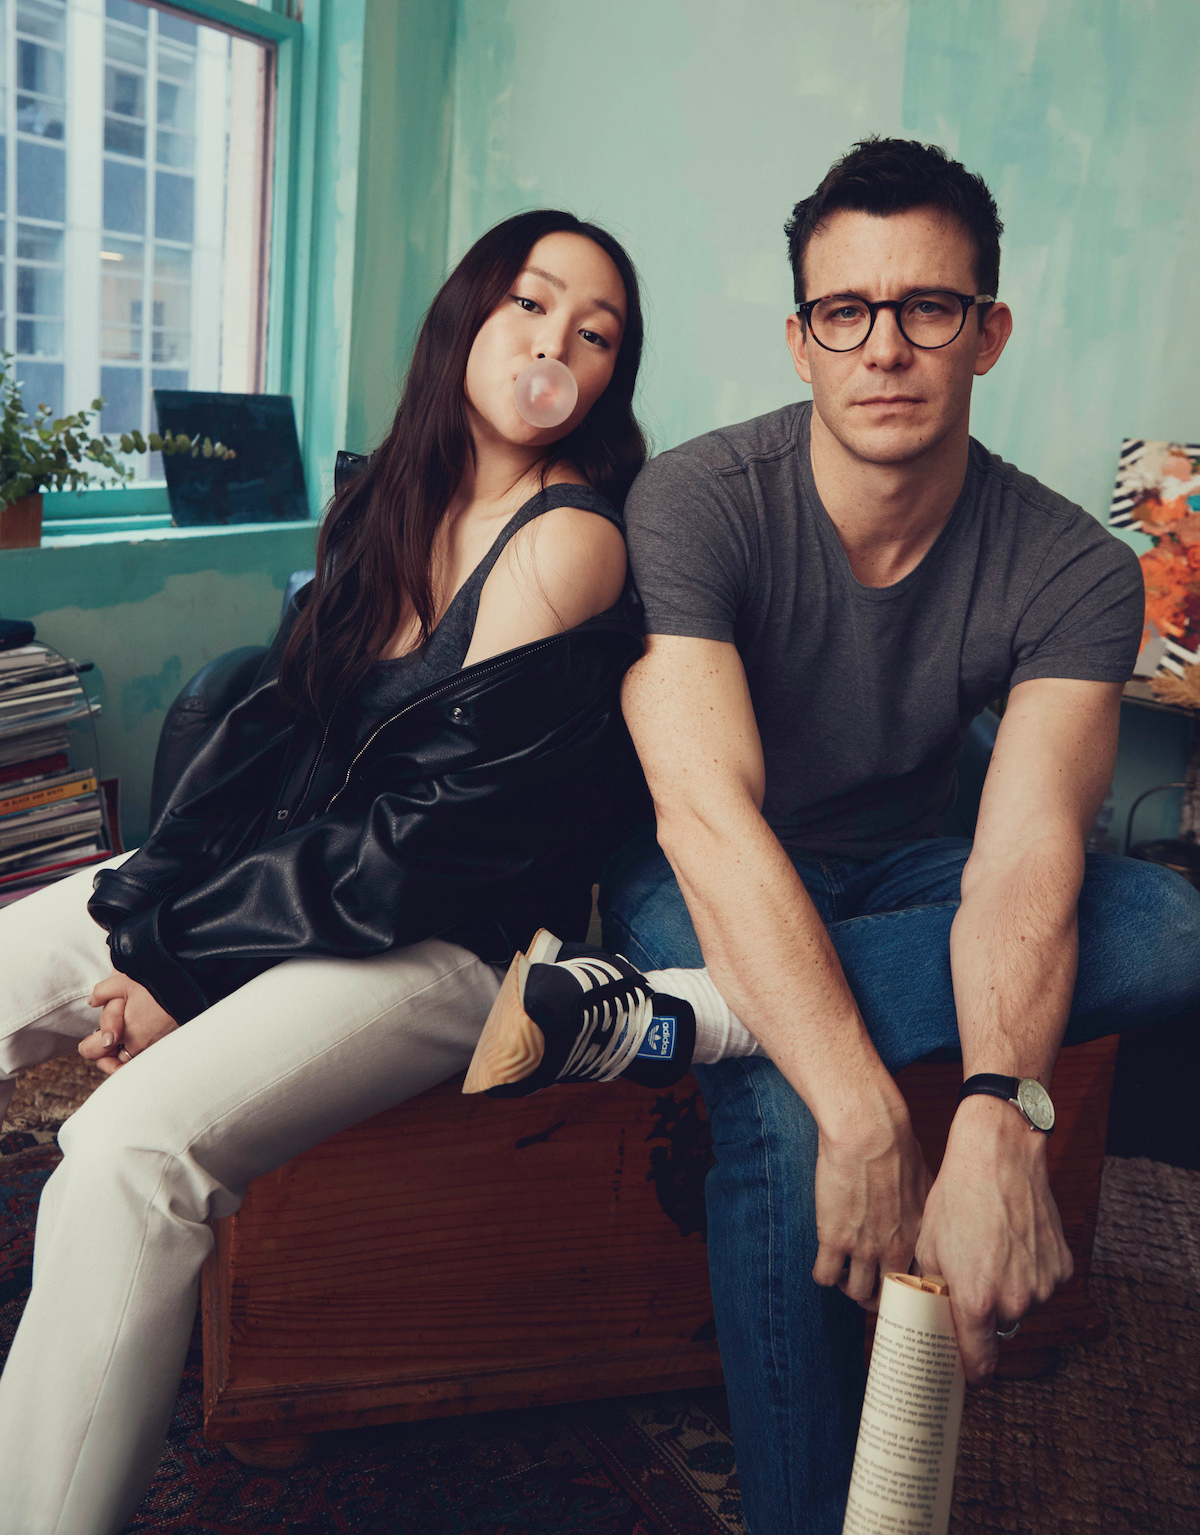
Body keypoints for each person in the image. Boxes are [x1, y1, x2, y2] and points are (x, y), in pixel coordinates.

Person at [464, 141, 1200, 1535]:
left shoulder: (1073, 568)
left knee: (1172, 926)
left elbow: (1027, 851)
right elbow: (703, 812)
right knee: (797, 1110)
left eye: (928, 307)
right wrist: (865, 1105)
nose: (886, 348)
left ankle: (675, 1017)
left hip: (918, 861)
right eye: (846, 312)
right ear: (800, 341)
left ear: (988, 331)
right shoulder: (694, 499)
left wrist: (1000, 1113)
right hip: (705, 862)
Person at [0, 208, 652, 1535]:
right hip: (302, 880)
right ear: (470, 312)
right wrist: (144, 921)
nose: (557, 347)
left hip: (456, 949)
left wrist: (182, 970)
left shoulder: (567, 542)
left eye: (597, 333)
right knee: (17, 954)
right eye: (534, 304)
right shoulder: (384, 499)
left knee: (126, 1145)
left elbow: (425, 848)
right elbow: (264, 743)